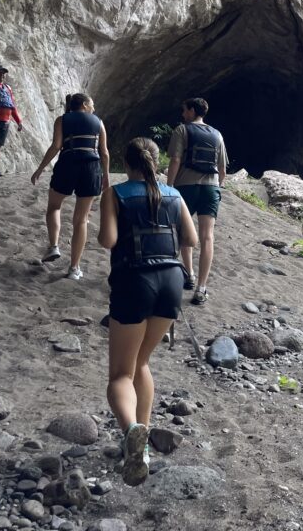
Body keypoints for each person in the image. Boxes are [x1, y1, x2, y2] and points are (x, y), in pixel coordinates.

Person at [97, 138, 197, 486]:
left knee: (120, 376)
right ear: (157, 161)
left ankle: (132, 432)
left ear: (128, 164)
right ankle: (144, 441)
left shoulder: (115, 194)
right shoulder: (174, 194)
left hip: (133, 281)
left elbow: (108, 240)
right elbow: (192, 239)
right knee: (142, 362)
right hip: (171, 281)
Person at [30, 93, 110, 279]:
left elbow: (56, 145)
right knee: (81, 220)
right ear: (84, 104)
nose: (94, 108)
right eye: (92, 104)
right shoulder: (98, 122)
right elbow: (104, 152)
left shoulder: (62, 120)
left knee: (54, 207)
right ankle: (74, 268)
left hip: (68, 165)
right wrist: (105, 176)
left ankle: (54, 246)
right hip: (91, 169)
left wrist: (40, 169)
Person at [166, 97, 226, 306]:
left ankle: (189, 274)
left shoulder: (182, 130)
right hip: (211, 188)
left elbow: (175, 160)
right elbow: (222, 168)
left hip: (186, 187)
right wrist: (217, 186)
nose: (183, 114)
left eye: (185, 110)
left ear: (192, 111)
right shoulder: (217, 134)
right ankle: (201, 288)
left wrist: (170, 186)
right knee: (207, 237)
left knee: (184, 232)